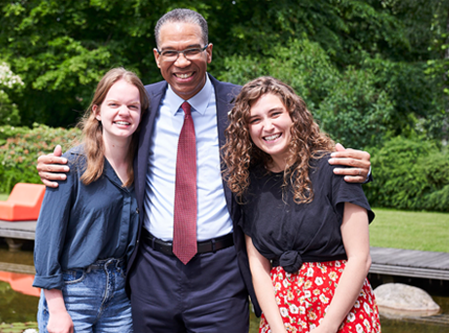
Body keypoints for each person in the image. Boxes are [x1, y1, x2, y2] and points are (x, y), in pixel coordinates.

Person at [36, 9, 373, 333]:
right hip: (152, 270)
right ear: (157, 58)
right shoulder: (142, 104)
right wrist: (62, 162)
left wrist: (354, 166)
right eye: (170, 52)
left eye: (191, 50)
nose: (181, 62)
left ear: (208, 52)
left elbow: (289, 141)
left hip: (221, 273)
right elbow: (104, 136)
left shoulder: (241, 105)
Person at [223, 76, 380, 333]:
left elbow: (360, 258)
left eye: (275, 114)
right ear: (246, 129)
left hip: (342, 313)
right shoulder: (249, 183)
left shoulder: (335, 168)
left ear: (294, 116)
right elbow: (258, 267)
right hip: (281, 316)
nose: (268, 126)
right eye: (255, 120)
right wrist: (277, 328)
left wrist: (327, 327)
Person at [33, 68, 149, 333]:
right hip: (73, 292)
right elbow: (47, 242)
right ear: (97, 111)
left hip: (120, 295)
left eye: (133, 106)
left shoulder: (144, 167)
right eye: (114, 104)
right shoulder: (71, 165)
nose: (124, 112)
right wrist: (57, 309)